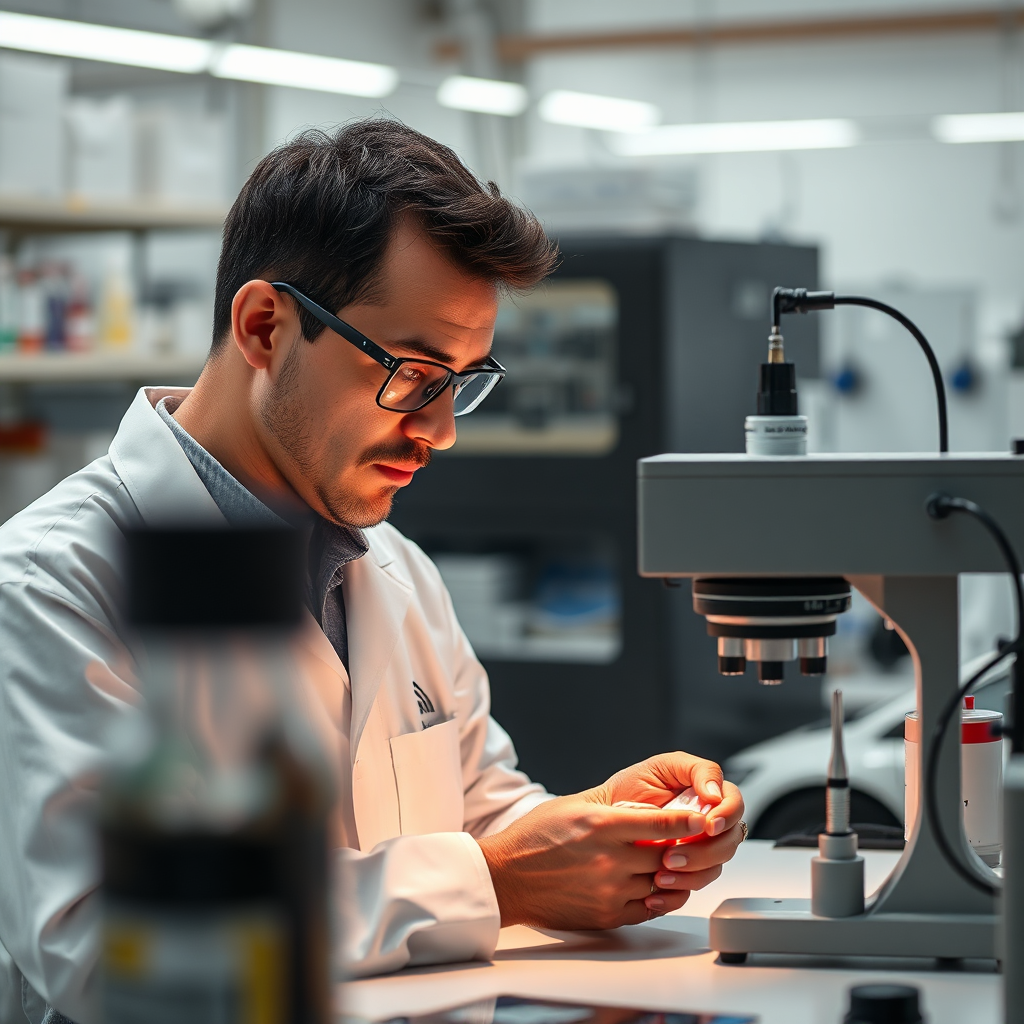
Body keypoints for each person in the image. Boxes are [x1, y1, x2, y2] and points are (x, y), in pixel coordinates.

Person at [0, 120, 744, 1024]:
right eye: (415, 374)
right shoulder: (53, 584)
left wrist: (604, 835)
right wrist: (501, 880)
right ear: (265, 327)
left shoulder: (393, 570)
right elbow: (113, 944)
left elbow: (477, 820)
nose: (441, 432)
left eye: (465, 381)